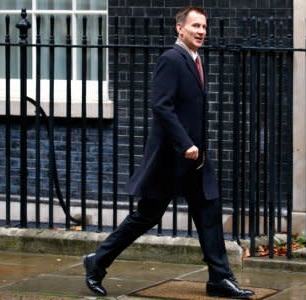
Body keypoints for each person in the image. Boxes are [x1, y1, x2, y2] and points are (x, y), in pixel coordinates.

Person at [83, 6, 254, 299]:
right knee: (146, 217)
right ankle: (97, 262)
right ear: (180, 29)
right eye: (195, 26)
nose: (201, 31)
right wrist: (184, 143)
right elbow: (161, 106)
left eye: (204, 26)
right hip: (172, 158)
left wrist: (196, 148)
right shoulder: (171, 59)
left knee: (209, 212)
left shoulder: (197, 60)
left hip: (195, 160)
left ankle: (219, 278)